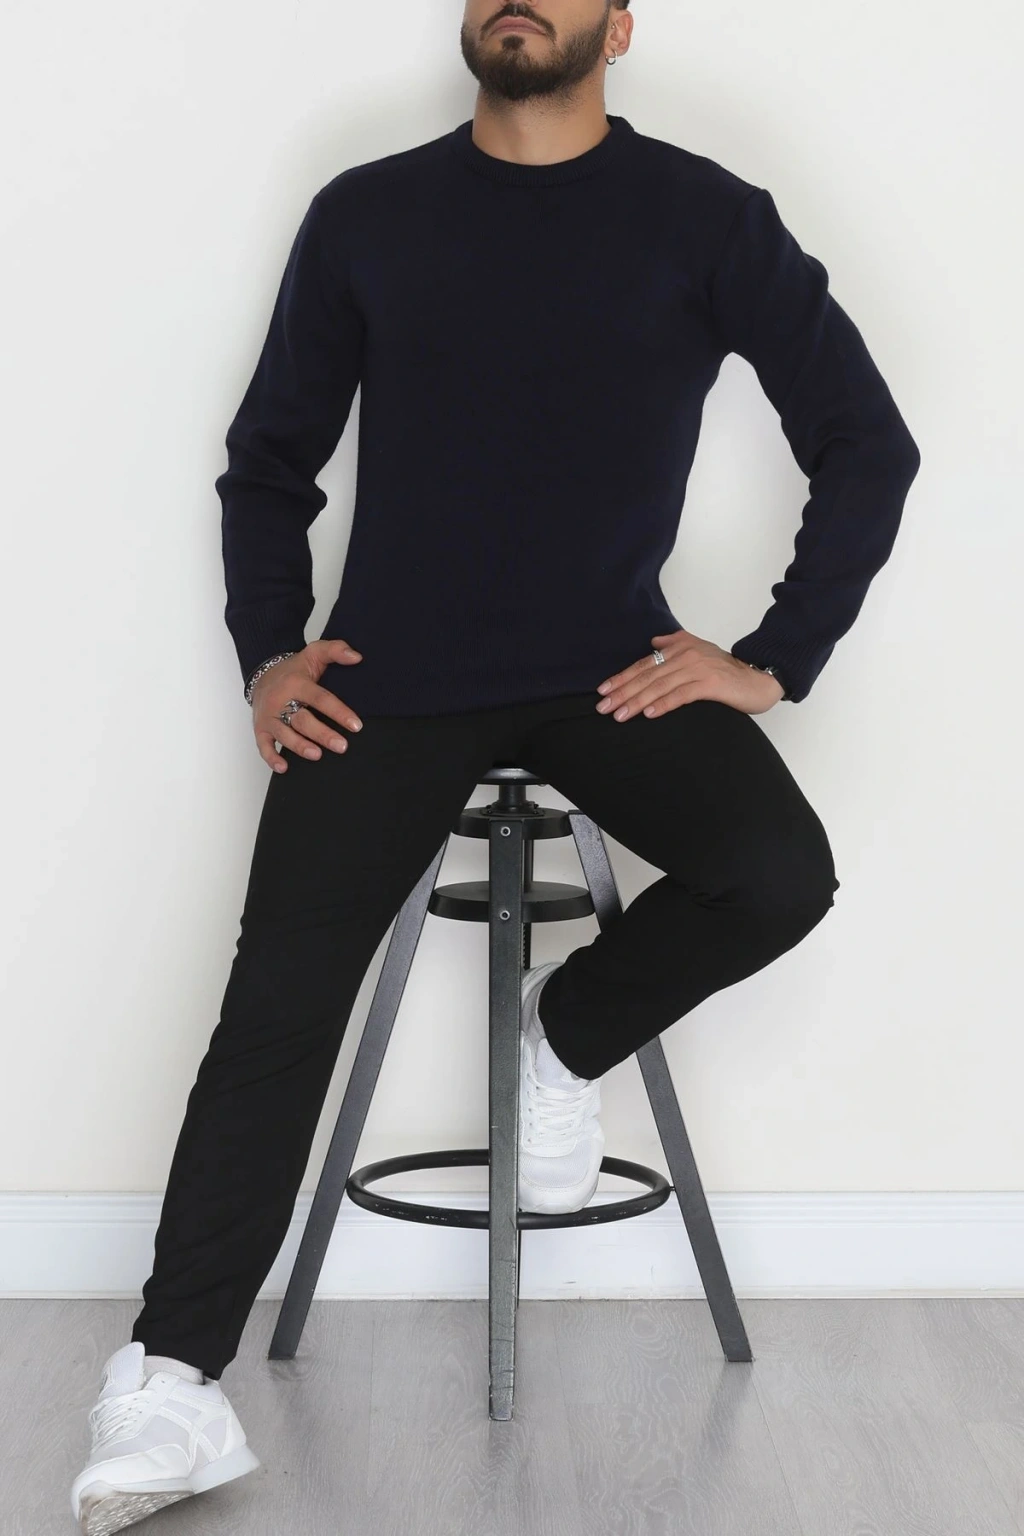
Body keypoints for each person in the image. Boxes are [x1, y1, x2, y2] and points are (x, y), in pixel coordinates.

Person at [71, 1, 921, 1529]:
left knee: (779, 872)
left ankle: (566, 1033)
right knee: (275, 1010)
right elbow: (269, 461)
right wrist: (269, 653)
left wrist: (774, 656)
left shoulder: (707, 217)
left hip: (607, 667)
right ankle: (172, 1381)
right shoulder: (368, 213)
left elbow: (868, 441)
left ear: (620, 26)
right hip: (388, 683)